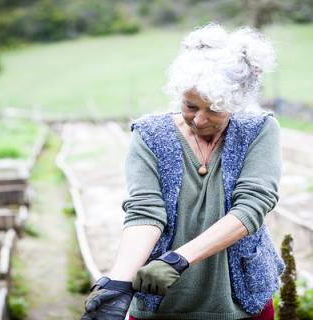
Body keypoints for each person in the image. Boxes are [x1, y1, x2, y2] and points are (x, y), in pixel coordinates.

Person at [81, 23, 284, 320]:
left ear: (237, 104)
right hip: (162, 302)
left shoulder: (258, 131)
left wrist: (178, 260)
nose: (199, 120)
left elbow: (252, 208)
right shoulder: (151, 135)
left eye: (214, 109)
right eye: (190, 106)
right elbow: (144, 211)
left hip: (238, 303)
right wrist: (119, 282)